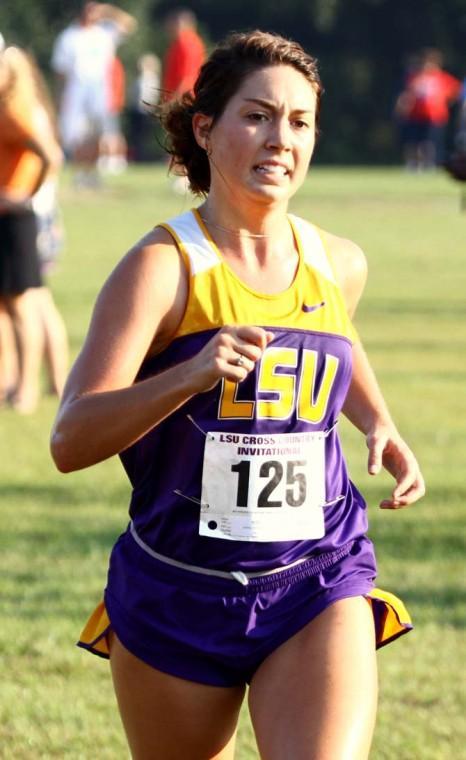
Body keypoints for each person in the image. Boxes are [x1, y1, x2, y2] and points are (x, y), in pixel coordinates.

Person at [51, 30, 425, 759]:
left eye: (299, 121)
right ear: (205, 127)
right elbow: (71, 438)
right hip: (178, 590)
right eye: (256, 116)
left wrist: (378, 420)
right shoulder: (162, 269)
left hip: (315, 578)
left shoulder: (338, 263)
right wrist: (189, 374)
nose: (280, 139)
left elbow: (336, 337)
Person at [0, 42, 65, 412]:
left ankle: (27, 389)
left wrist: (26, 194)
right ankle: (15, 384)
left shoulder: (14, 110)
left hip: (21, 218)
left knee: (28, 302)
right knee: (18, 302)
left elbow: (50, 155)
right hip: (11, 217)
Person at [51, 2, 137, 186]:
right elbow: (60, 72)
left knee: (97, 133)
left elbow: (130, 24)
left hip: (99, 90)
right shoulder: (69, 36)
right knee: (78, 135)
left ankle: (92, 172)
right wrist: (60, 98)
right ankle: (80, 172)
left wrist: (107, 11)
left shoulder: (104, 33)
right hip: (76, 91)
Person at [395, 48, 462, 170]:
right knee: (413, 141)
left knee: (429, 142)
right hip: (415, 115)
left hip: (435, 116)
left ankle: (428, 163)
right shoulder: (416, 77)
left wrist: (444, 103)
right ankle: (413, 164)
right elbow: (408, 94)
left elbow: (456, 92)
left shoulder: (443, 78)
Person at [162, 8, 206, 101]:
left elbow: (186, 77)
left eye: (172, 23)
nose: (168, 27)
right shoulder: (193, 41)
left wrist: (174, 101)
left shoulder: (185, 43)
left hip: (181, 98)